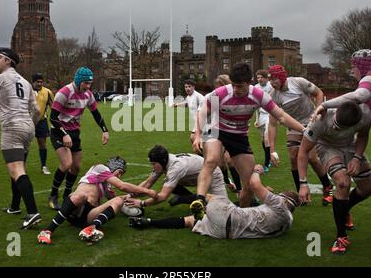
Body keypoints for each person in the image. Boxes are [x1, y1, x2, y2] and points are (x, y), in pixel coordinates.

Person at [192, 63, 304, 214]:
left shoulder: (258, 95)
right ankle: (199, 200)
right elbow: (203, 112)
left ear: (248, 82)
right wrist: (198, 135)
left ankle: (241, 215)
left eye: (239, 86)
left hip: (239, 136)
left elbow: (282, 116)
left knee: (249, 184)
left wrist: (304, 130)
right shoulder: (222, 92)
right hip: (217, 131)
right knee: (211, 160)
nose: (236, 90)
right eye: (233, 85)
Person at [130, 164, 301, 240]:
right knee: (189, 221)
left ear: (283, 199)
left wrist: (257, 170)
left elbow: (254, 184)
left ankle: (183, 198)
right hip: (226, 234)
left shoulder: (278, 205)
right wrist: (268, 195)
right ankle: (149, 222)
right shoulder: (286, 222)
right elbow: (265, 212)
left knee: (211, 197)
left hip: (229, 216)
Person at [0, 48, 42, 229]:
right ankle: (14, 207)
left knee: (17, 171)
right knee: (18, 168)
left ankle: (33, 212)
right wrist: (30, 126)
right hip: (27, 127)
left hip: (12, 127)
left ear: (9, 61)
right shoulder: (26, 83)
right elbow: (37, 111)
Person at [298, 101, 371, 254]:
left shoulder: (365, 115)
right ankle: (341, 236)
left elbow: (363, 136)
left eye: (340, 127)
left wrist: (357, 158)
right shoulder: (320, 120)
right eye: (335, 124)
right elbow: (303, 152)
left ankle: (344, 209)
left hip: (351, 146)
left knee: (369, 189)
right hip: (327, 147)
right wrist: (303, 183)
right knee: (342, 183)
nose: (335, 128)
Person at [37, 157, 157, 244]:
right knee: (81, 196)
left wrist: (136, 203)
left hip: (86, 217)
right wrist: (148, 192)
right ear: (114, 166)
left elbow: (119, 199)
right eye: (120, 172)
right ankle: (47, 231)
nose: (120, 176)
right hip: (75, 207)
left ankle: (91, 229)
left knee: (118, 201)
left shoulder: (107, 187)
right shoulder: (100, 168)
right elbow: (122, 186)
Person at [267, 65, 333, 205]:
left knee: (312, 158)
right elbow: (272, 123)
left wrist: (317, 113)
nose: (272, 83)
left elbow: (319, 93)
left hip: (311, 123)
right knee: (292, 157)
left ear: (282, 77)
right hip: (293, 126)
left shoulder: (298, 82)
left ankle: (327, 187)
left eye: (274, 79)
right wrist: (272, 149)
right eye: (270, 80)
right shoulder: (274, 95)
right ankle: (301, 195)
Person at [47, 67, 109, 210]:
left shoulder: (88, 94)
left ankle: (67, 195)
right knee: (67, 163)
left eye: (90, 83)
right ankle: (53, 195)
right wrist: (64, 134)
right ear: (79, 80)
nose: (88, 86)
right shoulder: (64, 93)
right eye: (86, 83)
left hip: (74, 133)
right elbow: (53, 118)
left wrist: (104, 130)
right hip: (59, 132)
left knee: (76, 167)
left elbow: (96, 113)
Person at [124, 145, 227, 210]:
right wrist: (131, 195)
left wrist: (142, 203)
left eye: (154, 163)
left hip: (212, 174)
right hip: (195, 177)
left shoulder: (175, 168)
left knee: (222, 208)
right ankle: (191, 200)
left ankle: (184, 199)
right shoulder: (163, 162)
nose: (153, 166)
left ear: (162, 161)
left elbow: (163, 196)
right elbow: (148, 183)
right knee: (171, 183)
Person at [213, 74, 242, 195]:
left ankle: (239, 190)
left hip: (232, 132)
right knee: (220, 164)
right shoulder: (214, 97)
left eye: (221, 87)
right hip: (217, 132)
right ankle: (227, 181)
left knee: (230, 161)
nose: (218, 90)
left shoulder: (235, 98)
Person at [31, 73, 54, 175]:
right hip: (28, 121)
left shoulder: (47, 92)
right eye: (37, 82)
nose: (40, 84)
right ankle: (21, 167)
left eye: (41, 82)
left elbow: (53, 107)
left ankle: (43, 166)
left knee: (42, 144)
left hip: (42, 121)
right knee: (25, 145)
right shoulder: (27, 91)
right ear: (33, 82)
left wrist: (55, 121)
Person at [174, 79, 205, 145]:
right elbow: (186, 104)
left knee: (194, 138)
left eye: (189, 86)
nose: (187, 88)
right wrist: (176, 105)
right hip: (196, 122)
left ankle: (203, 153)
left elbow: (204, 109)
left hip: (202, 122)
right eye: (186, 87)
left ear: (194, 87)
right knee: (195, 139)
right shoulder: (188, 97)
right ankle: (202, 153)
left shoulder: (199, 97)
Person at [254, 70, 273, 172]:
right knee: (263, 140)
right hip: (261, 115)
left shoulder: (271, 87)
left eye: (261, 77)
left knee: (266, 138)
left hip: (270, 114)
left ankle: (267, 163)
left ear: (266, 78)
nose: (259, 79)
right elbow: (256, 105)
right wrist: (257, 119)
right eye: (258, 78)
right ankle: (270, 157)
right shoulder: (256, 88)